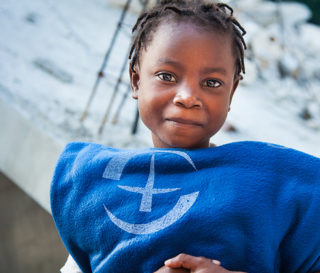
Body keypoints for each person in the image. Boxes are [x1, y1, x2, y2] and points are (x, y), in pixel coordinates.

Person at [51, 0, 320, 272]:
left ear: (232, 92)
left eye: (212, 83)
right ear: (136, 80)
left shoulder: (268, 182)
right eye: (167, 76)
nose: (188, 97)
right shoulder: (101, 188)